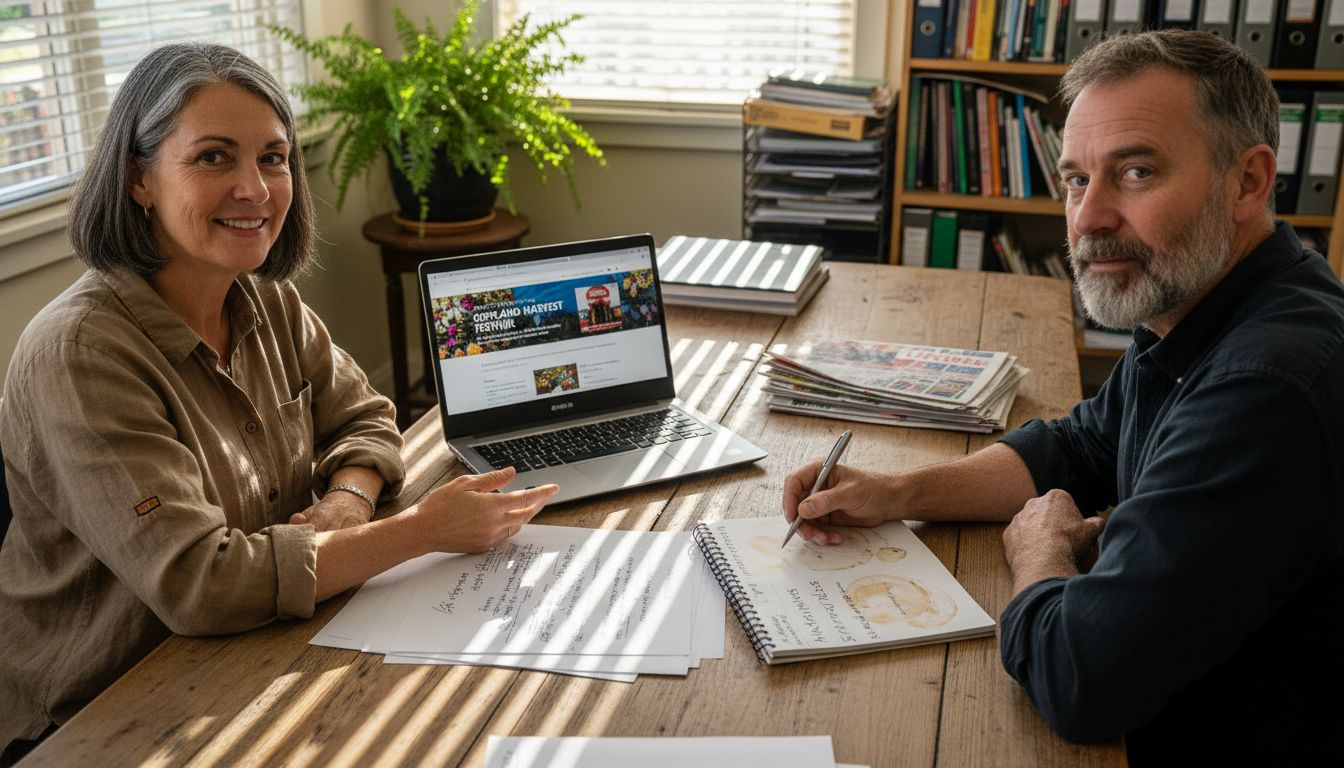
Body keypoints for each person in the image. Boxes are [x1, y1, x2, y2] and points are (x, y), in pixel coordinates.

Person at [782, 30, 1343, 766]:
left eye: (1136, 172)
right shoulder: (1199, 299)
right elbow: (1082, 446)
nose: (1088, 218)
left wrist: (1040, 553)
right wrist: (898, 492)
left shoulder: (1263, 387)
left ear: (1248, 182)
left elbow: (1082, 677)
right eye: (1077, 179)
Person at [0, 42, 557, 760]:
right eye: (213, 157)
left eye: (273, 158)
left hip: (261, 646)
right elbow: (201, 584)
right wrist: (419, 530)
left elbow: (365, 416)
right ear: (139, 179)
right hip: (101, 709)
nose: (255, 189)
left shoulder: (265, 298)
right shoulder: (81, 354)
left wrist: (348, 500)